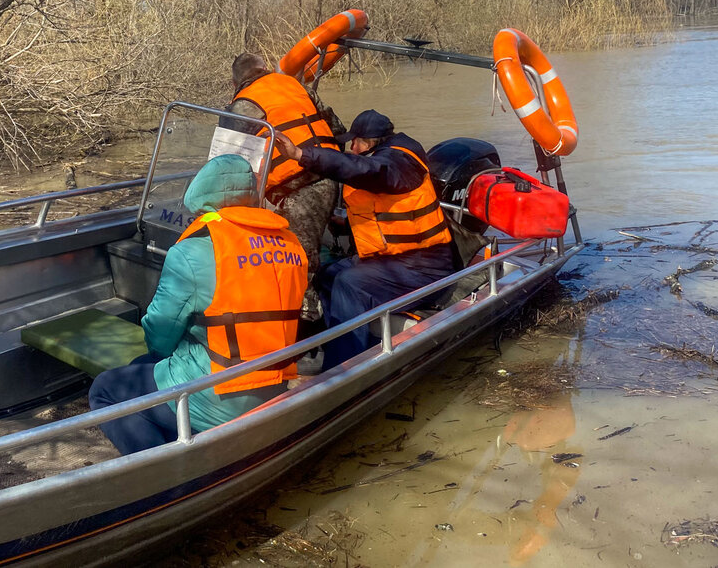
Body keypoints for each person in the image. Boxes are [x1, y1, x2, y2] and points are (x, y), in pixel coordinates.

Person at [88, 154, 307, 454]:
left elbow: (160, 333)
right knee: (142, 367)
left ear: (200, 197)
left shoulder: (191, 252)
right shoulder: (292, 245)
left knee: (105, 389)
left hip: (217, 395)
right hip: (275, 383)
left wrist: (163, 356)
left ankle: (162, 476)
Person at [273, 109, 455, 369]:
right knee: (327, 275)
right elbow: (388, 212)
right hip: (395, 259)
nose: (351, 147)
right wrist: (345, 224)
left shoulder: (396, 163)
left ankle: (343, 367)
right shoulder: (386, 160)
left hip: (425, 267)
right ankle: (328, 346)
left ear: (368, 143)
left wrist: (302, 155)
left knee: (351, 283)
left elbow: (363, 170)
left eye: (354, 142)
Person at [224, 52, 343, 320]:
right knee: (303, 254)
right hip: (329, 173)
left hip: (298, 189)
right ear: (264, 68)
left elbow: (224, 160)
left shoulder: (243, 104)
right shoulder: (295, 85)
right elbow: (336, 127)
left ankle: (307, 326)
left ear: (235, 84)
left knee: (299, 263)